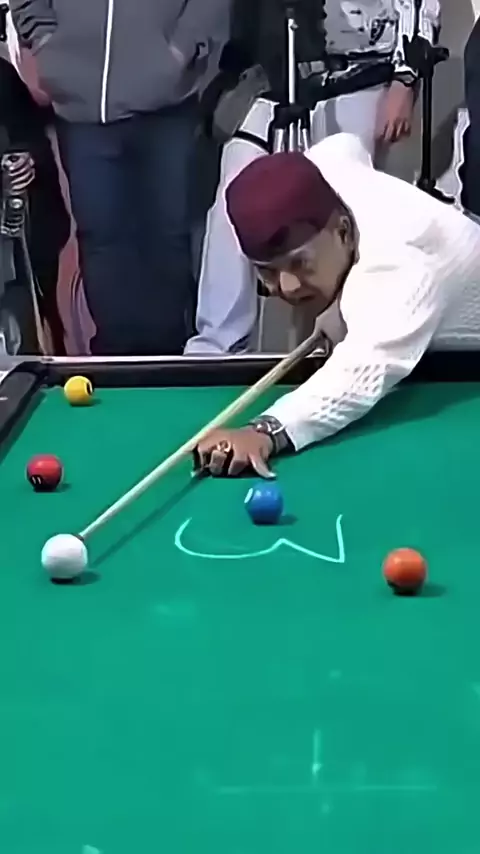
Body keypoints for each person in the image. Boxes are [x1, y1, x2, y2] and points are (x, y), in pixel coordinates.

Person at [192, 132, 480, 477]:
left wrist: (264, 432)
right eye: (267, 271)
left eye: (300, 263)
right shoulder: (326, 167)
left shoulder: (399, 264)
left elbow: (361, 372)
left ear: (343, 231)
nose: (287, 287)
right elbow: (347, 144)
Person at [185, 0, 441, 356]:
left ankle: (348, 344)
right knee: (236, 197)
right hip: (278, 73)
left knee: (346, 214)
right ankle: (216, 348)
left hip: (362, 71)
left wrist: (406, 79)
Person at [10, 0, 231, 356]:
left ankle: (169, 358)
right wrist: (45, 40)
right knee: (101, 237)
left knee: (168, 234)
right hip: (80, 105)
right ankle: (115, 360)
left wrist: (181, 47)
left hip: (168, 104)